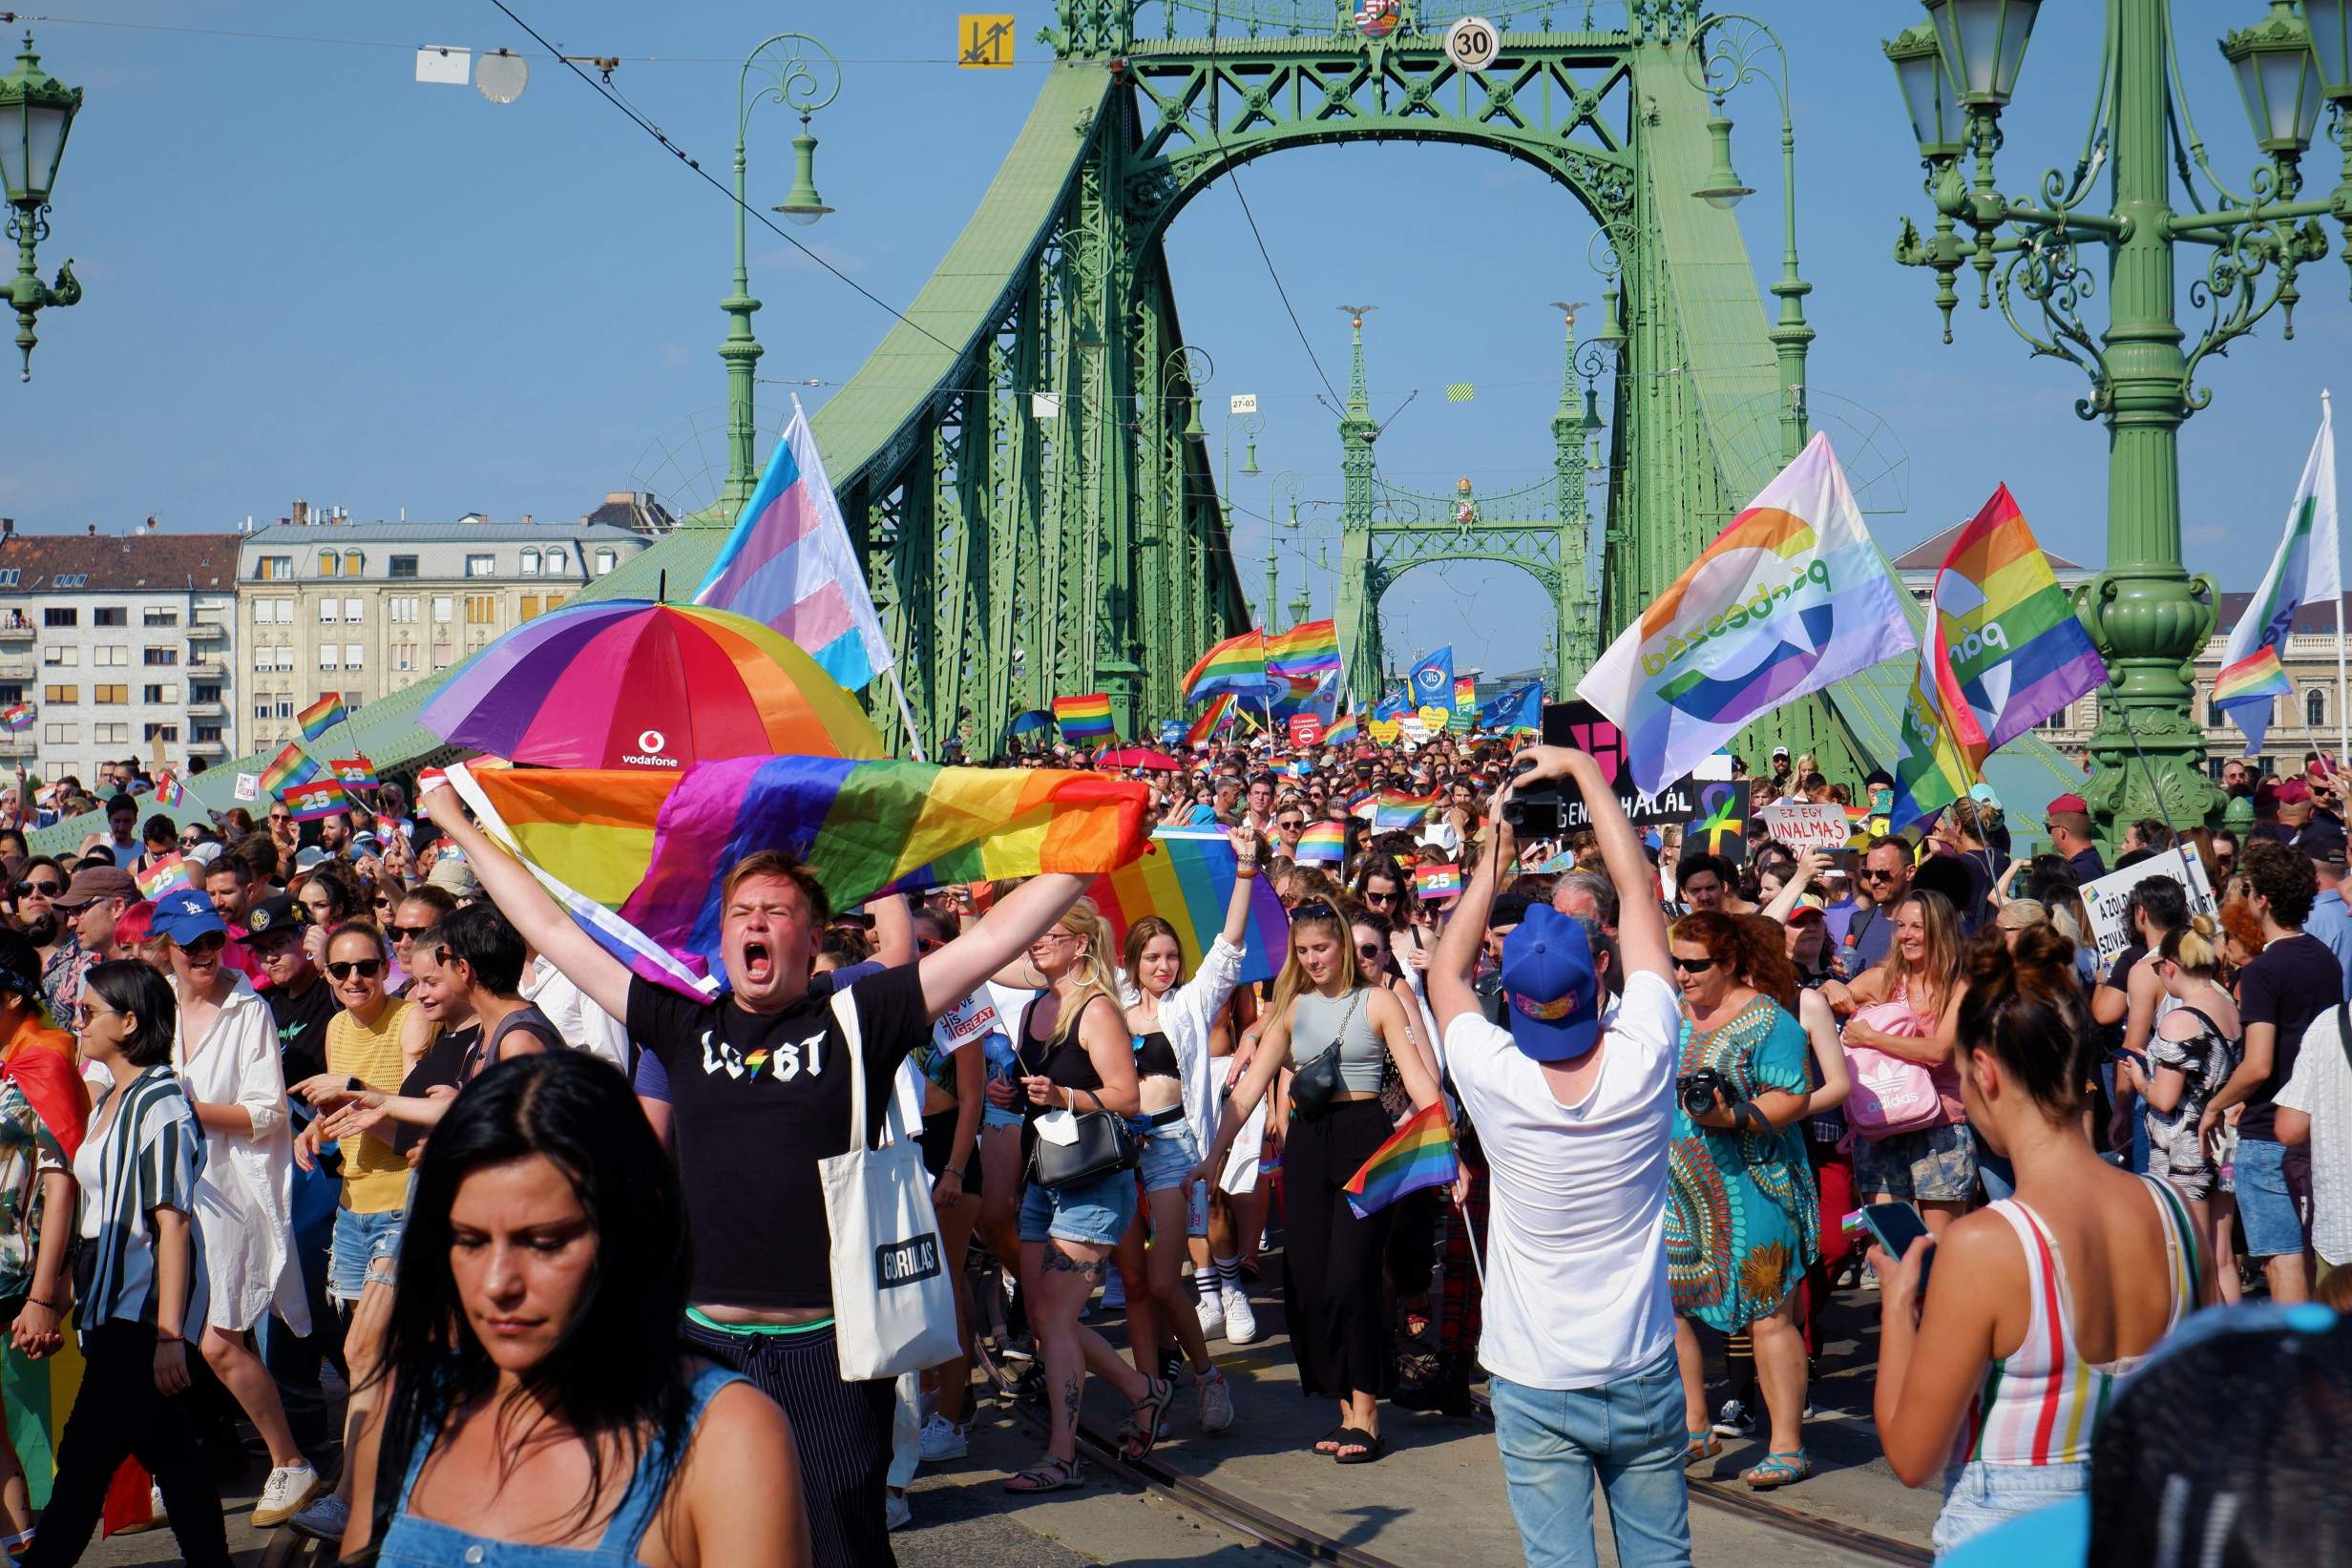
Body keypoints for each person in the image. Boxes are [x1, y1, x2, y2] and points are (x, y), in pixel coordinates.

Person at [417, 781, 1087, 1566]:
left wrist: (1089, 849)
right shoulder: (681, 1018)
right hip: (703, 1346)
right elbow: (552, 928)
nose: (756, 923)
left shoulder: (858, 1015)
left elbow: (993, 938)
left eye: (776, 911)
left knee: (840, 1543)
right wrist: (455, 821)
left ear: (813, 939)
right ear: (723, 937)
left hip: (830, 1350)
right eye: (741, 912)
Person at [340, 1052, 808, 1566]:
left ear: (633, 1227)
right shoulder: (406, 1406)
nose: (497, 1284)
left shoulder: (725, 1438)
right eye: (469, 1241)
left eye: (544, 1243)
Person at [1427, 745, 1687, 1566]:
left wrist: (1495, 850)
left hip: (1534, 1374)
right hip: (1640, 1363)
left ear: (1515, 1000)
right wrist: (1584, 770)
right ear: (1597, 975)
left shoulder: (1496, 1076)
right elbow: (1638, 893)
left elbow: (1445, 971)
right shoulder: (1647, 1054)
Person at [1869, 927, 2194, 1555]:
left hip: (2012, 1528)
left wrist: (1897, 1303)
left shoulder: (1986, 1244)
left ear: (1985, 1071)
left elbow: (1911, 1456)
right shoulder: (2174, 1213)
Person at [1197, 896, 1445, 1466]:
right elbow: (1248, 1090)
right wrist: (1214, 1155)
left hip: (1365, 1137)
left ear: (1342, 947)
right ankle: (1344, 1409)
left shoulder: (1378, 1000)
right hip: (1309, 1144)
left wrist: (1445, 1148)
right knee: (1309, 1279)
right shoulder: (1291, 1007)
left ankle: (1368, 1412)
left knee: (1352, 1278)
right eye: (1303, 950)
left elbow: (1418, 1081)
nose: (1313, 959)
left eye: (1323, 948)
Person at [20, 960, 228, 1568]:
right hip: (110, 1309)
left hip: (139, 1316)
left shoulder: (161, 1101)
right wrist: (57, 1299)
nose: (77, 1023)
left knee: (86, 1460)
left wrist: (168, 1336)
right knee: (168, 1457)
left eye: (88, 1012)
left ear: (130, 1021)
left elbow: (172, 1224)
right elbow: (97, 1216)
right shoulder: (114, 1098)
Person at [153, 889, 319, 1527]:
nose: (203, 953)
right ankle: (171, 1469)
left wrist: (182, 1109)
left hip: (234, 1189)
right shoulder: (154, 1002)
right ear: (164, 947)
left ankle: (291, 1462)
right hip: (168, 1196)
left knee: (220, 1343)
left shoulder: (249, 1009)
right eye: (189, 943)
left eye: (212, 941)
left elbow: (268, 1112)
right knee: (162, 1338)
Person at [1660, 910, 1818, 1487]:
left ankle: (1787, 1446)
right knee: (1671, 1305)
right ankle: (1694, 1427)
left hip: (1756, 1183)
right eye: (1676, 962)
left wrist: (1734, 1116)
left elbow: (1794, 1096)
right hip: (1680, 1186)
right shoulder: (1670, 1015)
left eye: (1695, 965)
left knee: (1768, 1312)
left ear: (1728, 962)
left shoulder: (1769, 1019)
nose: (1682, 974)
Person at [1112, 830, 1261, 1434]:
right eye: (1153, 958)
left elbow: (1229, 946)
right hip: (1120, 1153)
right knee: (1133, 1283)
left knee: (1162, 1281)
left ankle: (1208, 1377)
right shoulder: (1110, 1005)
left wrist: (1245, 870)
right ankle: (1149, 1395)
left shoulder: (1191, 1003)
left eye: (1171, 956)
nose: (1164, 966)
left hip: (1174, 1149)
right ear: (1132, 961)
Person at [284, 922, 415, 1541]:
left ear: (387, 967)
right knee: (371, 1361)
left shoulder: (411, 1020)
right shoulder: (337, 1028)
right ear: (328, 975)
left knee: (367, 1355)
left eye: (367, 966)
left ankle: (353, 1499)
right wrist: (316, 1128)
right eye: (342, 970)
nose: (355, 978)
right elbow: (346, 1113)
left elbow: (412, 1129)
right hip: (353, 1206)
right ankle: (387, 1491)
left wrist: (355, 1093)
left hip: (402, 1205)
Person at [2202, 837, 2333, 1304]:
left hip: (2268, 1128)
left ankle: (2295, 1349)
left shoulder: (2262, 971)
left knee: (2281, 1260)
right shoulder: (2325, 959)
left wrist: (2216, 1105)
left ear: (2262, 900)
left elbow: (2257, 1065)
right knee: (2310, 1252)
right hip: (2316, 1122)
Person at [0, 931, 82, 1555]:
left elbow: (63, 1183)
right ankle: (24, 1540)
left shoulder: (43, 1060)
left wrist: (45, 1293)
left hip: (19, 1269)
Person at [1828, 890, 1978, 1234]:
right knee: (1888, 1239)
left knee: (1939, 1244)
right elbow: (1825, 999)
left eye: (1917, 927)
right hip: (1882, 1121)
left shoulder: (1961, 986)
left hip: (1942, 1125)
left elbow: (1939, 1051)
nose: (1905, 935)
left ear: (1940, 931)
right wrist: (1830, 990)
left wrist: (1871, 1038)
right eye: (1900, 926)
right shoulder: (1885, 977)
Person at [2122, 918, 2239, 1304]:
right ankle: (2234, 1337)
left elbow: (2164, 1098)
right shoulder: (2229, 1006)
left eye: (2158, 967)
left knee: (2195, 1256)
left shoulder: (2180, 1020)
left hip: (2185, 1149)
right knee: (2222, 1257)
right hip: (2224, 1143)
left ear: (2171, 967)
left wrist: (2140, 1079)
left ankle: (2209, 1338)